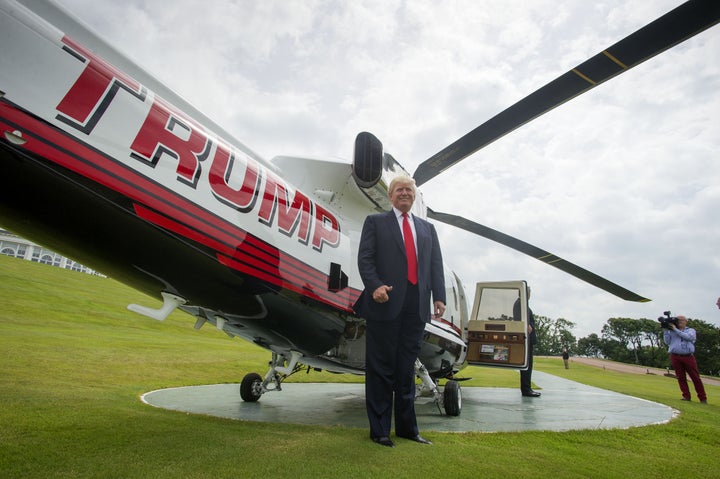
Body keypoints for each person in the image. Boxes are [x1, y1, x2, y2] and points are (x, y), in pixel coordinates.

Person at [355, 175, 446, 448]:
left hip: (416, 308)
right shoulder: (375, 222)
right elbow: (365, 259)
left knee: (406, 371)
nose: (404, 193)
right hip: (385, 303)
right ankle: (380, 431)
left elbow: (435, 265)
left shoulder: (428, 229)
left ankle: (408, 429)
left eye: (409, 190)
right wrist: (375, 286)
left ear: (414, 196)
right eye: (399, 190)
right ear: (390, 195)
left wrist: (439, 297)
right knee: (381, 369)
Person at [663, 315, 707, 404]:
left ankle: (702, 398)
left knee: (695, 377)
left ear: (686, 321)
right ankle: (686, 396)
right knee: (680, 377)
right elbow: (667, 342)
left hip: (688, 356)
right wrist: (666, 331)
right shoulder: (671, 331)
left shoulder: (690, 330)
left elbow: (689, 338)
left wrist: (675, 330)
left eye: (681, 320)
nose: (679, 322)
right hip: (675, 356)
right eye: (677, 320)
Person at [513, 286, 540, 397]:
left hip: (528, 339)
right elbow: (519, 318)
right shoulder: (520, 304)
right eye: (529, 293)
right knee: (527, 366)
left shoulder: (522, 304)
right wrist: (527, 325)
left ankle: (526, 388)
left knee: (528, 365)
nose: (530, 295)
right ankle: (526, 389)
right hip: (526, 339)